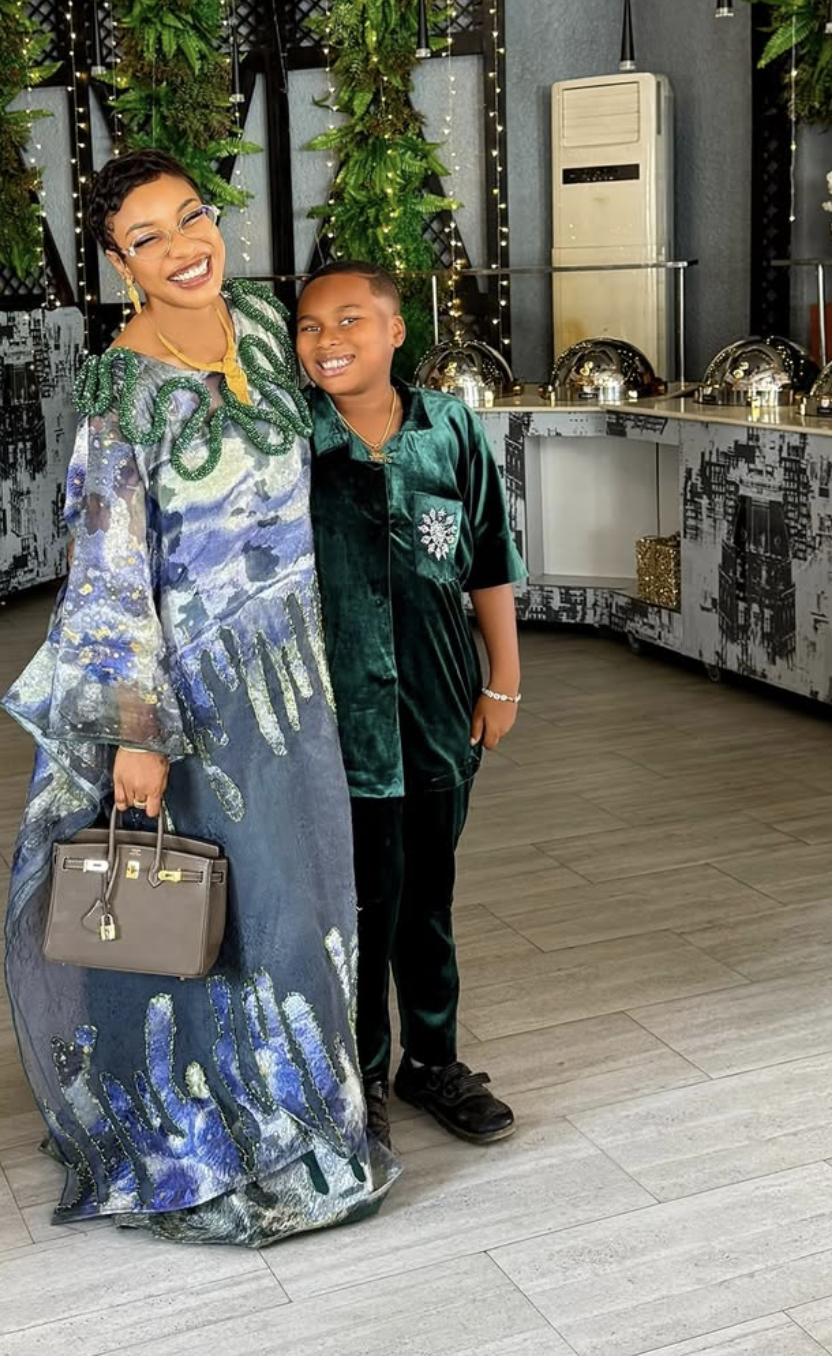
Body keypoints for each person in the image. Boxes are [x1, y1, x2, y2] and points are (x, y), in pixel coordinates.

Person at [1, 152, 397, 1247]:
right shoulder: (121, 389)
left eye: (191, 218)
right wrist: (136, 733)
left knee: (304, 900)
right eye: (148, 237)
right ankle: (209, 1139)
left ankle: (312, 1126)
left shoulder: (269, 328)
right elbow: (108, 573)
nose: (183, 248)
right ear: (119, 264)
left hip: (296, 673)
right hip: (194, 694)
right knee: (210, 919)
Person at [296, 261, 527, 1151]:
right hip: (336, 725)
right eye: (310, 327)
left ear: (396, 331)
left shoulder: (450, 428)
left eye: (349, 320)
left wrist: (502, 682)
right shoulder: (293, 443)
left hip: (439, 712)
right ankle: (357, 1080)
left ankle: (432, 1063)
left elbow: (489, 561)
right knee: (359, 909)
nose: (328, 341)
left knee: (429, 899)